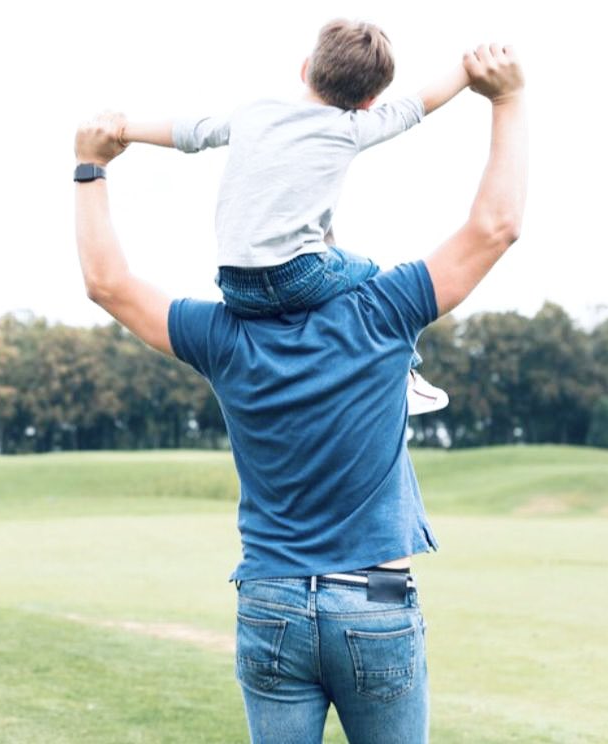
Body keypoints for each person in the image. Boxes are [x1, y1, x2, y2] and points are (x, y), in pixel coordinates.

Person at [73, 42, 526, 744]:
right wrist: (507, 99)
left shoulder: (223, 335)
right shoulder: (383, 309)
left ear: (305, 73)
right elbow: (495, 228)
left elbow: (108, 285)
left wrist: (90, 166)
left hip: (271, 600)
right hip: (375, 598)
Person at [120, 19, 473, 415]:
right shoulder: (351, 127)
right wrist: (467, 70)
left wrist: (124, 130)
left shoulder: (254, 114)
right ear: (369, 101)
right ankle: (405, 376)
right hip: (297, 276)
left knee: (329, 249)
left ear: (305, 68)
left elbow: (191, 132)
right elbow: (416, 106)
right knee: (372, 276)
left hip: (235, 284)